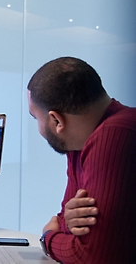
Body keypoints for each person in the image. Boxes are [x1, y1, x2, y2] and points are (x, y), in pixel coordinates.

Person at [27, 57, 136, 263]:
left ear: (56, 120)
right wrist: (66, 225)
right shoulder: (79, 142)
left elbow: (94, 256)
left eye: (36, 118)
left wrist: (47, 239)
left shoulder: (114, 136)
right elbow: (65, 221)